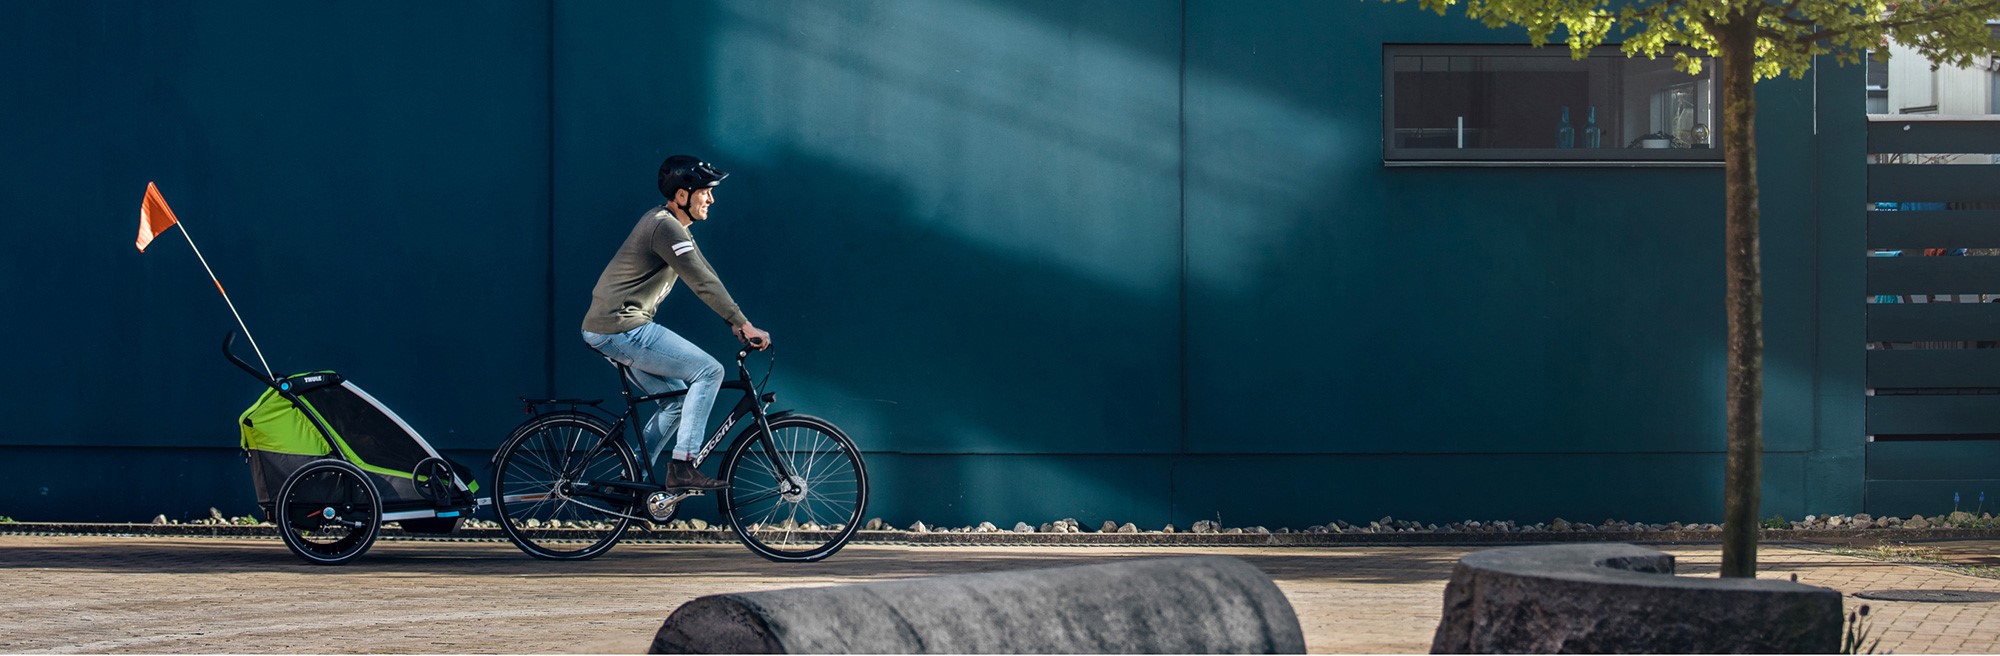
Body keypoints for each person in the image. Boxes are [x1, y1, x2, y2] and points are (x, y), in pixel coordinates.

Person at [580, 155, 770, 492]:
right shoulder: (664, 226)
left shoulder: (669, 224)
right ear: (682, 195)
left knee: (676, 401)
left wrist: (735, 323)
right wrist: (741, 321)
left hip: (611, 327)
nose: (711, 199)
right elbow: (702, 282)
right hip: (621, 325)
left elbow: (704, 271)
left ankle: (630, 479)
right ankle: (683, 464)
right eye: (704, 192)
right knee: (709, 372)